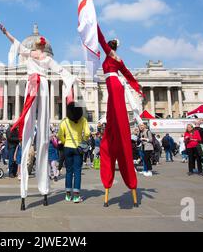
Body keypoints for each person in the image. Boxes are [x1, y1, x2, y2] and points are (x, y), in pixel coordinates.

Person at [0, 24, 77, 210]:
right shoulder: (28, 54)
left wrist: (74, 78)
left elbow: (60, 70)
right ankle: (24, 191)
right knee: (27, 128)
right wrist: (6, 32)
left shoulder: (47, 60)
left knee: (43, 137)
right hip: (32, 84)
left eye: (40, 46)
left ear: (43, 48)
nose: (38, 48)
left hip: (43, 86)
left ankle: (44, 188)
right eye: (37, 46)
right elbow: (16, 43)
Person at [96, 25, 143, 207]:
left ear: (110, 46)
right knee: (113, 113)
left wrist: (95, 23)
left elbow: (100, 39)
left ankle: (115, 130)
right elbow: (128, 74)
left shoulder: (110, 54)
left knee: (115, 111)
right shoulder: (118, 58)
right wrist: (137, 87)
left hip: (113, 85)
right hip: (114, 85)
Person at [58, 102, 90, 203]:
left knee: (68, 171)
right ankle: (76, 196)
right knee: (77, 172)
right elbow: (88, 133)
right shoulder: (83, 120)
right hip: (78, 148)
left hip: (67, 147)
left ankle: (67, 195)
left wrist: (64, 142)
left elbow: (60, 135)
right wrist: (83, 140)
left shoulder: (64, 122)